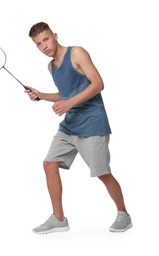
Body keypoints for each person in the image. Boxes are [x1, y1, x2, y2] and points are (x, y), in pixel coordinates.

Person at [26, 22, 132, 234]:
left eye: (46, 39)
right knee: (49, 164)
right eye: (38, 44)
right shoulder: (50, 67)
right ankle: (58, 218)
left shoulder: (77, 53)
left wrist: (69, 104)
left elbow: (98, 84)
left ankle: (124, 215)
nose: (44, 46)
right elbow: (65, 94)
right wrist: (41, 95)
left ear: (55, 35)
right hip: (70, 125)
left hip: (93, 123)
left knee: (102, 173)